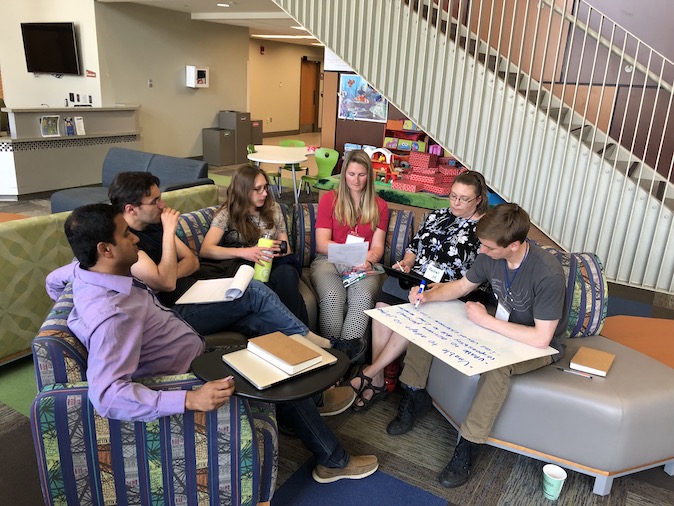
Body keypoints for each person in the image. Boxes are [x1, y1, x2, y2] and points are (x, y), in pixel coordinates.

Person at [46, 203, 379, 484]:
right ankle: (332, 460)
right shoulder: (112, 317)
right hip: (189, 374)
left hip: (195, 348)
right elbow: (106, 396)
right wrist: (189, 399)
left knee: (262, 327)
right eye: (125, 234)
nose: (135, 238)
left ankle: (313, 399)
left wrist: (68, 308)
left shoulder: (82, 270)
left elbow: (53, 281)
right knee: (274, 369)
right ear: (104, 250)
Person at [395, 203, 568, 488]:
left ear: (513, 245)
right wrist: (427, 297)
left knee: (497, 369)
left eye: (488, 247)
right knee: (428, 321)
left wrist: (485, 321)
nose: (482, 251)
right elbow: (462, 287)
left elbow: (541, 338)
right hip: (500, 328)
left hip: (538, 344)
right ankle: (414, 394)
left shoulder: (547, 273)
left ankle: (469, 445)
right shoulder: (490, 252)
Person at [105, 171, 331, 348]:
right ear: (131, 209)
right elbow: (166, 283)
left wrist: (171, 270)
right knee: (253, 290)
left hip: (196, 292)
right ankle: (320, 343)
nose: (162, 205)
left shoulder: (152, 224)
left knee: (263, 321)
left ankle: (306, 371)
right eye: (155, 201)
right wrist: (168, 235)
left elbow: (192, 261)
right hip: (174, 311)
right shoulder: (126, 243)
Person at [330, 170, 491, 411]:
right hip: (417, 276)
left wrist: (443, 286)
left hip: (449, 288)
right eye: (452, 196)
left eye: (463, 199)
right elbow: (414, 247)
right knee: (383, 303)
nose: (456, 203)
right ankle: (377, 379)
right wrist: (406, 262)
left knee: (414, 312)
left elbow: (476, 275)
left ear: (478, 199)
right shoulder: (437, 215)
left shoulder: (485, 230)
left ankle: (370, 374)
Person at [199, 164, 308, 324]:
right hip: (244, 265)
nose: (264, 193)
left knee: (287, 274)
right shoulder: (227, 214)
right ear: (243, 190)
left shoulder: (273, 208)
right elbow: (206, 250)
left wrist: (280, 248)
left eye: (266, 187)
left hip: (272, 262)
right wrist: (245, 252)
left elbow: (286, 246)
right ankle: (298, 335)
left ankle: (293, 335)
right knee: (265, 287)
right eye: (258, 189)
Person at [310, 149, 389, 361]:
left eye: (362, 175)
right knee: (333, 297)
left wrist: (369, 258)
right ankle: (331, 355)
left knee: (363, 297)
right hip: (329, 260)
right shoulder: (330, 199)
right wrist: (350, 253)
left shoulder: (380, 206)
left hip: (363, 264)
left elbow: (378, 247)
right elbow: (322, 244)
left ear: (369, 176)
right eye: (352, 174)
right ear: (344, 174)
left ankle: (345, 360)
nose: (356, 180)